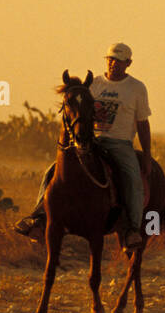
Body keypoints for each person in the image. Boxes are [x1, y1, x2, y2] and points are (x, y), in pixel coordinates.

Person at [15, 42, 152, 248]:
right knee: (51, 172)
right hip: (91, 140)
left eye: (119, 61)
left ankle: (131, 229)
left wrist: (147, 155)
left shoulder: (136, 88)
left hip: (120, 143)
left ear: (128, 63)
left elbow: (142, 123)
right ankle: (39, 217)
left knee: (133, 180)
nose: (113, 64)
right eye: (110, 60)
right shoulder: (94, 84)